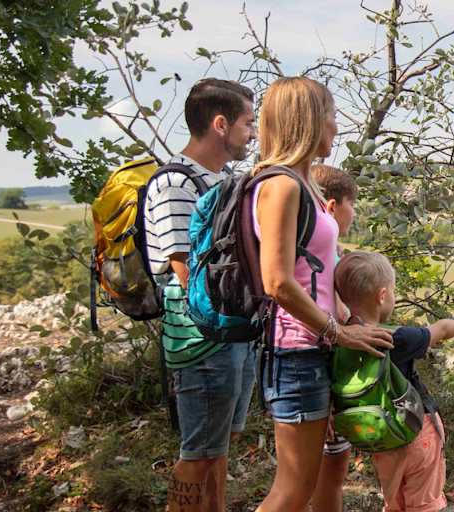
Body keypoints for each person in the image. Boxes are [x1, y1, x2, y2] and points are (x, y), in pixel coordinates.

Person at [251, 76, 393, 512]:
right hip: (295, 351)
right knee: (293, 488)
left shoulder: (302, 184)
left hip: (310, 349)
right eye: (331, 115)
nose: (336, 126)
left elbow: (309, 265)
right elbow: (277, 280)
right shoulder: (281, 186)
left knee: (307, 482)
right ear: (310, 120)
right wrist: (340, 333)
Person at [145, 78, 257, 512]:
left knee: (219, 444)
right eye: (248, 123)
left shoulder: (225, 179)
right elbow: (184, 268)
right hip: (200, 337)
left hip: (232, 332)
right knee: (198, 452)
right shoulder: (175, 183)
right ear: (220, 123)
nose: (252, 133)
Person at [331, 250, 454, 512]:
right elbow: (443, 329)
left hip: (380, 438)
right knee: (424, 503)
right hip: (417, 431)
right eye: (392, 291)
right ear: (382, 296)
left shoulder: (340, 338)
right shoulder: (397, 338)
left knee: (395, 504)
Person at [305, 163, 359, 512]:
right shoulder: (326, 254)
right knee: (326, 470)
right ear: (333, 206)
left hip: (316, 368)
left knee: (323, 470)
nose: (355, 214)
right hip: (319, 369)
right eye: (354, 205)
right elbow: (336, 313)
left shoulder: (313, 248)